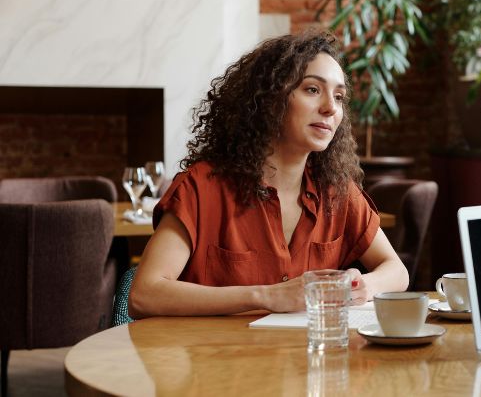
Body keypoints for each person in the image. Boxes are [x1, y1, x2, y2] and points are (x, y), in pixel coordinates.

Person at [129, 30, 408, 318]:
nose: (330, 108)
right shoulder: (202, 187)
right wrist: (266, 296)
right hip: (214, 358)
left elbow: (397, 271)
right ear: (270, 99)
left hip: (307, 358)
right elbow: (144, 295)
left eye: (339, 97)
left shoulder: (336, 191)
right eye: (312, 90)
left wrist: (365, 285)